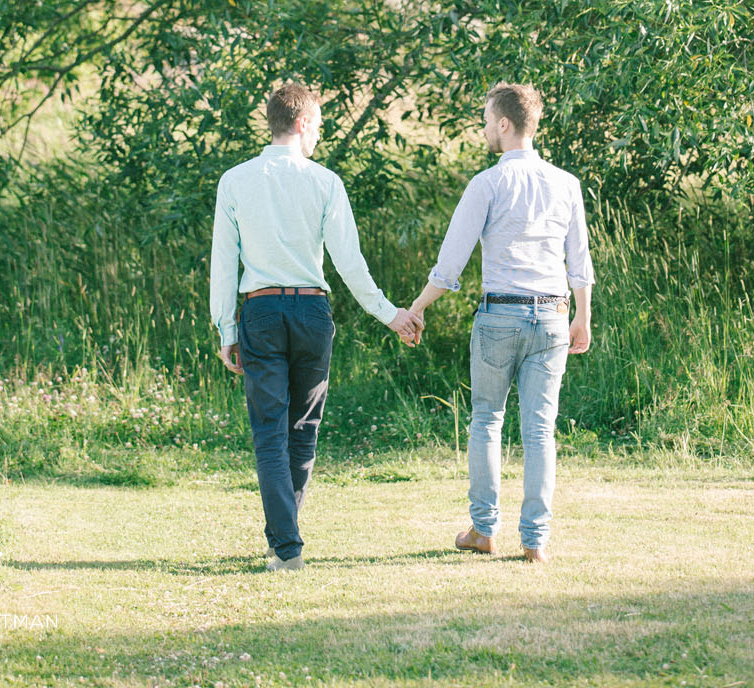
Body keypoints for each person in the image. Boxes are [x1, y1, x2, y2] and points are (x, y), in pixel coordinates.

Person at [210, 81, 421, 571]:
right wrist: (389, 315)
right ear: (302, 123)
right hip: (310, 311)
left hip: (259, 311)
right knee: (302, 428)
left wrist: (227, 329)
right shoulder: (325, 181)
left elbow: (224, 262)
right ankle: (285, 541)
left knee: (270, 431)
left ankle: (285, 545)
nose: (319, 137)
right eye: (319, 126)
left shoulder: (235, 180)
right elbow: (350, 263)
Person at [408, 82, 594, 564]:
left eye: (488, 120)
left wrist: (418, 307)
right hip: (554, 315)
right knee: (539, 430)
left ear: (506, 124)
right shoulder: (566, 184)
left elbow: (451, 264)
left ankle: (484, 529)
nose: (486, 128)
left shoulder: (487, 184)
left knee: (487, 421)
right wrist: (583, 317)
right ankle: (535, 540)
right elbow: (580, 261)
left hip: (499, 317)